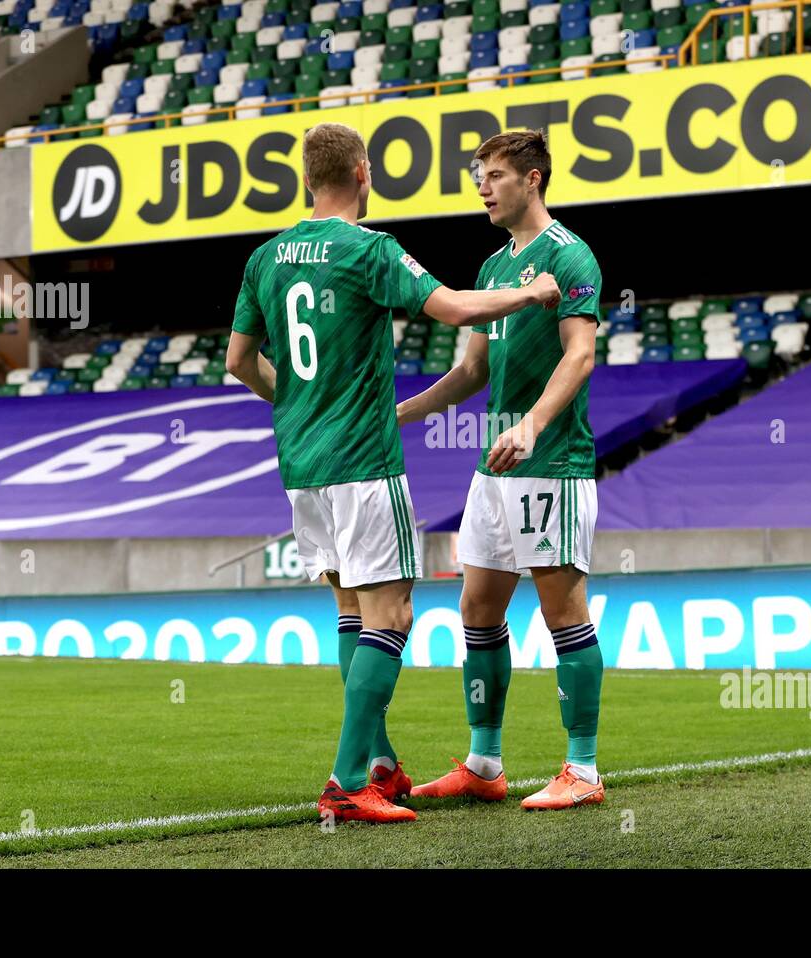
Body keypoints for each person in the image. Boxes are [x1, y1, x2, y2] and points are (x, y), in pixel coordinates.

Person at [226, 122, 562, 824]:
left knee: (352, 612)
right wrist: (531, 294)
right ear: (361, 174)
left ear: (306, 180)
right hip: (363, 462)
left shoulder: (266, 258)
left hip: (303, 465)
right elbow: (455, 308)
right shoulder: (367, 249)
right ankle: (348, 782)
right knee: (393, 615)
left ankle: (377, 759)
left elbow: (237, 361)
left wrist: (292, 399)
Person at [397, 130, 606, 811]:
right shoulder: (491, 271)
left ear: (533, 179)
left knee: (562, 612)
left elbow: (579, 356)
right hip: (494, 472)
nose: (482, 187)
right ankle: (485, 762)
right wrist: (398, 413)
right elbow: (470, 373)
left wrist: (532, 423)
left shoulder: (572, 257)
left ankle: (583, 771)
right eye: (479, 176)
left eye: (493, 175)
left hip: (554, 464)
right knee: (477, 610)